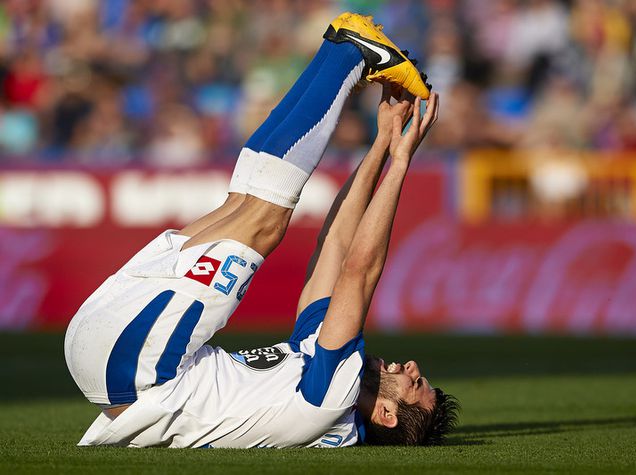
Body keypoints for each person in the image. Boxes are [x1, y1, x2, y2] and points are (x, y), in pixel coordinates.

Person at [64, 13, 459, 448]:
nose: (411, 366)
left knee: (264, 221)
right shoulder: (318, 366)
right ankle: (337, 47)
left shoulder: (331, 403)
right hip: (114, 354)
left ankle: (348, 51)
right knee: (246, 203)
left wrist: (402, 162)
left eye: (415, 384)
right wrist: (383, 144)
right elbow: (337, 247)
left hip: (137, 366)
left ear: (385, 415)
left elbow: (359, 272)